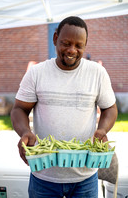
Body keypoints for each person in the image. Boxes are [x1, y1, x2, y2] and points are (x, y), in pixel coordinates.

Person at [11, 16, 118, 198]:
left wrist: (102, 129)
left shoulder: (97, 73)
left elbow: (110, 108)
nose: (72, 50)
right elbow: (19, 109)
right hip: (44, 176)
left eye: (78, 45)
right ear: (55, 39)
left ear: (85, 45)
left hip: (85, 177)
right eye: (66, 43)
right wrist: (24, 132)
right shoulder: (37, 73)